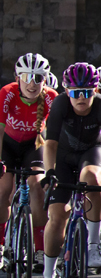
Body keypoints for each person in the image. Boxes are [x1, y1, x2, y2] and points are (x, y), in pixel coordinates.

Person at [40, 63, 101, 278]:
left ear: (95, 90)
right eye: (76, 92)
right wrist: (50, 172)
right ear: (67, 91)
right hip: (63, 156)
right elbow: (50, 144)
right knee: (57, 218)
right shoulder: (61, 104)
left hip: (91, 153)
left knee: (94, 178)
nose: (81, 98)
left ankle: (94, 243)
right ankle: (47, 277)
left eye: (87, 92)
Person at [0, 54, 56, 260]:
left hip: (33, 146)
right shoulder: (7, 93)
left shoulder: (51, 97)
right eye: (26, 77)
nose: (32, 84)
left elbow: (55, 137)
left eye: (38, 78)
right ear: (17, 77)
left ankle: (39, 249)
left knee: (37, 188)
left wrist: (54, 167)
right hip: (7, 146)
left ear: (46, 79)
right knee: (3, 190)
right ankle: (0, 244)